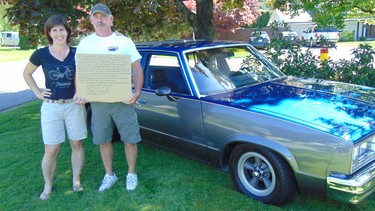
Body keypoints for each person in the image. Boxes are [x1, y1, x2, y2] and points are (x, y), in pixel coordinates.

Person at [76, 3, 143, 192]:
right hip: (98, 103)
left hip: (123, 101)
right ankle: (109, 175)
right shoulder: (85, 43)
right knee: (103, 139)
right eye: (96, 17)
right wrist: (80, 91)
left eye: (103, 16)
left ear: (111, 19)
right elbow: (80, 70)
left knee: (129, 139)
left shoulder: (124, 42)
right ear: (90, 20)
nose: (100, 20)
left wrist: (136, 92)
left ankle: (131, 173)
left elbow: (136, 69)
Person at [23, 15, 87, 200]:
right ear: (49, 33)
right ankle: (48, 185)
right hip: (51, 107)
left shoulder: (77, 53)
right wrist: (37, 92)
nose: (59, 34)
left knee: (77, 143)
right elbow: (27, 74)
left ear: (68, 31)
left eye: (62, 29)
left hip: (73, 106)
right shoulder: (41, 54)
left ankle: (76, 179)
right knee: (51, 149)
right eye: (54, 30)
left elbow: (85, 76)